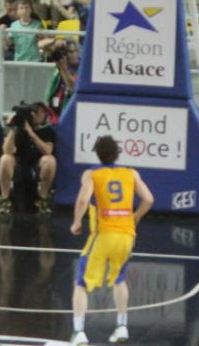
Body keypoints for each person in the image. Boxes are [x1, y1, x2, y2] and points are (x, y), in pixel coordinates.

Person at [70, 136, 154, 346]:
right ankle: (122, 326)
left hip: (104, 234)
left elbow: (82, 200)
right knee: (119, 279)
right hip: (127, 235)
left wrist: (76, 222)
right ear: (117, 153)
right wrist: (136, 217)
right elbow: (149, 199)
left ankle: (78, 331)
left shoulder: (91, 174)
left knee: (81, 283)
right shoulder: (131, 173)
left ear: (97, 154)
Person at [0, 101, 56, 215]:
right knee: (5, 159)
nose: (40, 115)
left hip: (37, 163)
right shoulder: (17, 128)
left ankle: (42, 200)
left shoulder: (47, 130)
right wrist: (13, 129)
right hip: (18, 163)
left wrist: (31, 133)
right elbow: (7, 150)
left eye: (42, 112)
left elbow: (48, 150)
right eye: (36, 112)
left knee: (50, 160)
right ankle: (5, 200)